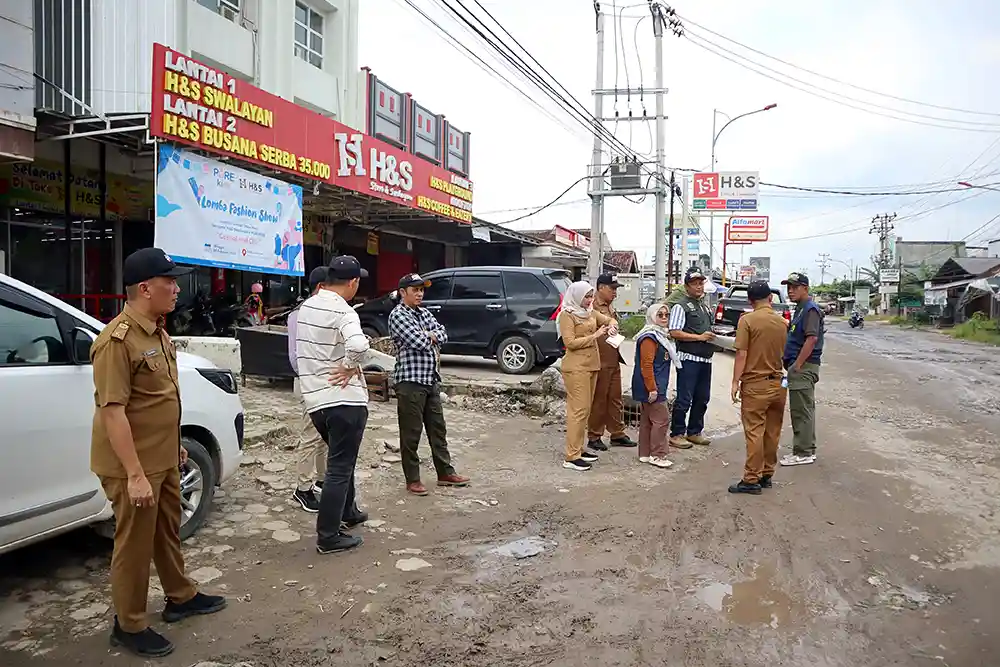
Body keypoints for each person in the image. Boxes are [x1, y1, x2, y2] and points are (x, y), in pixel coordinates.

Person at [90, 247, 226, 658]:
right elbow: (112, 413)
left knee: (167, 530)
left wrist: (175, 450)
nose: (176, 288)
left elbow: (158, 402)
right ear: (145, 288)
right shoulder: (117, 340)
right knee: (134, 544)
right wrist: (133, 474)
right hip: (133, 464)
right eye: (169, 282)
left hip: (163, 457)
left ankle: (180, 596)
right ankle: (128, 624)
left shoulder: (156, 330)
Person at [296, 255, 371, 554]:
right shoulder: (344, 311)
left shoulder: (306, 307)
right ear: (352, 283)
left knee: (342, 461)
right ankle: (328, 536)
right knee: (339, 468)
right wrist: (350, 365)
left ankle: (348, 512)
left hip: (316, 401)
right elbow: (358, 345)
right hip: (344, 401)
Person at [389, 273, 470, 496]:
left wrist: (431, 335)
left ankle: (445, 472)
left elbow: (443, 334)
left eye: (422, 290)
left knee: (438, 429)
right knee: (411, 433)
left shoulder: (424, 313)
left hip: (430, 379)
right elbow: (418, 342)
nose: (420, 294)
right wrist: (430, 336)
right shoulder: (398, 315)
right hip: (410, 381)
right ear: (403, 292)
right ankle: (413, 479)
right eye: (415, 290)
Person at [728, 281, 789, 494]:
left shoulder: (747, 321)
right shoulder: (782, 322)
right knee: (772, 431)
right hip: (779, 384)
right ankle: (766, 474)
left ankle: (751, 479)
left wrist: (735, 381)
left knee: (754, 431)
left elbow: (741, 354)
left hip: (756, 385)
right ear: (770, 298)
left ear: (749, 300)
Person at [558, 281, 618, 471]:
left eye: (591, 296)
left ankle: (579, 449)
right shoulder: (567, 315)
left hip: (592, 365)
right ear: (576, 296)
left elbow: (608, 320)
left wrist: (612, 326)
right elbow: (570, 343)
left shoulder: (589, 311)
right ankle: (571, 456)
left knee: (586, 410)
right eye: (586, 296)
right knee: (578, 410)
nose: (589, 300)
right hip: (576, 367)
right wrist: (596, 335)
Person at [289, 266, 331, 513]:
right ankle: (302, 489)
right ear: (320, 288)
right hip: (311, 383)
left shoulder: (324, 313)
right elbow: (296, 356)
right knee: (310, 436)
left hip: (327, 384)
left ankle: (322, 480)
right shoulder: (300, 314)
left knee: (324, 437)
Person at [667, 267, 717, 450]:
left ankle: (694, 431)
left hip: (705, 359)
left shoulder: (704, 306)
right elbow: (674, 332)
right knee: (684, 398)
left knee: (702, 398)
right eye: (694, 283)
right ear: (687, 286)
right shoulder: (681, 306)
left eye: (700, 283)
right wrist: (699, 338)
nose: (698, 286)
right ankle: (677, 433)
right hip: (688, 358)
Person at [587, 273, 637, 450]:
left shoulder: (609, 307)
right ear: (600, 288)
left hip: (613, 358)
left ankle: (617, 433)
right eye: (612, 289)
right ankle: (594, 435)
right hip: (599, 360)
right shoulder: (591, 307)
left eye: (616, 289)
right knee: (599, 400)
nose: (615, 293)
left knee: (615, 399)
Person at [780, 272, 824, 467]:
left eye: (795, 287)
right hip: (799, 366)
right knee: (802, 409)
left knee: (801, 411)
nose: (790, 290)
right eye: (788, 287)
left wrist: (797, 365)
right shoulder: (799, 309)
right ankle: (805, 449)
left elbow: (812, 338)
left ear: (805, 288)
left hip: (804, 367)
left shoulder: (810, 309)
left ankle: (803, 452)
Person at [631, 303, 682, 469]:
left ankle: (645, 453)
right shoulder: (650, 337)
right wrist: (652, 388)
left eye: (667, 315)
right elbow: (647, 365)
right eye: (660, 315)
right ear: (652, 316)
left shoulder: (660, 336)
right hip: (652, 385)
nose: (664, 318)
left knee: (648, 420)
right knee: (662, 420)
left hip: (652, 384)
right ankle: (658, 455)